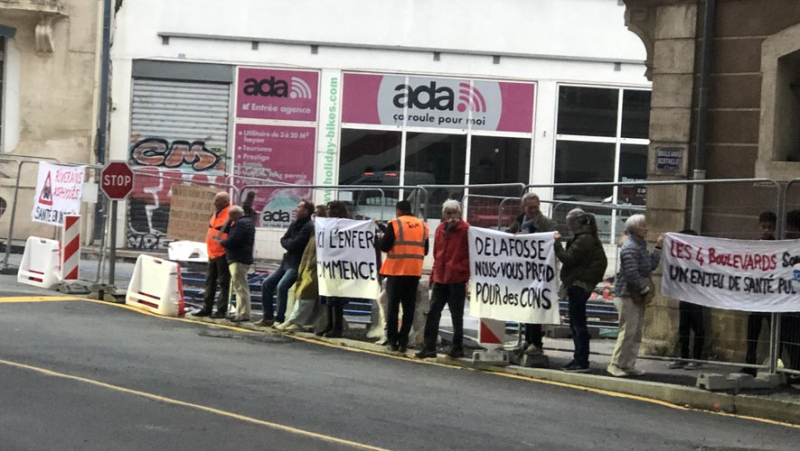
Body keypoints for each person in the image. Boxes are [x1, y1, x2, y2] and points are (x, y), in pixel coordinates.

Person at [607, 214, 664, 377]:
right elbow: (632, 274)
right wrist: (646, 290)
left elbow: (649, 266)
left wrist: (658, 248)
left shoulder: (639, 246)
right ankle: (616, 363)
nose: (646, 228)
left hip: (635, 294)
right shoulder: (631, 247)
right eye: (642, 226)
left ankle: (628, 364)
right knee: (628, 330)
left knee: (636, 331)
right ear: (633, 228)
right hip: (628, 294)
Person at [553, 208, 607, 372]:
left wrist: (557, 244)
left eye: (570, 223)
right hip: (580, 284)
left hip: (579, 285)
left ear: (576, 222)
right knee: (577, 323)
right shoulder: (587, 238)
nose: (569, 226)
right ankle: (578, 358)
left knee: (578, 324)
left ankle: (581, 361)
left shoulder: (584, 240)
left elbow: (568, 259)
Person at [416, 200, 470, 359]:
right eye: (448, 213)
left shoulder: (466, 230)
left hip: (456, 279)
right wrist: (434, 275)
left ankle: (457, 348)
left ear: (459, 214)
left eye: (454, 213)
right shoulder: (440, 229)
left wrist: (461, 270)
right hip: (441, 277)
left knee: (456, 315)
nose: (451, 217)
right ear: (444, 214)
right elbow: (437, 254)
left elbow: (470, 254)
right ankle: (429, 346)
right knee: (433, 313)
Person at [376, 200, 429, 352]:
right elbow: (424, 251)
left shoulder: (395, 223)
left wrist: (379, 241)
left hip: (396, 271)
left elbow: (385, 246)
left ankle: (393, 341)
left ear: (398, 211)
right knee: (409, 307)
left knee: (393, 307)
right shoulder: (422, 226)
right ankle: (404, 340)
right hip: (414, 272)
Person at [255, 199, 314, 327]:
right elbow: (284, 239)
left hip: (297, 264)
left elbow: (295, 244)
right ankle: (267, 317)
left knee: (282, 286)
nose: (296, 209)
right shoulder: (294, 224)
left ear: (306, 211)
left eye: (299, 207)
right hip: (286, 262)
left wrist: (288, 243)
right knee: (266, 283)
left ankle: (279, 319)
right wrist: (288, 243)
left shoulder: (309, 226)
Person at [509, 192, 555, 356]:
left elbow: (549, 244)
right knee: (525, 309)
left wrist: (527, 238)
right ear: (524, 207)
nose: (533, 211)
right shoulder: (518, 222)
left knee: (535, 308)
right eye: (530, 208)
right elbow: (507, 238)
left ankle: (536, 342)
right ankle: (528, 341)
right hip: (523, 273)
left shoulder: (547, 224)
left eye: (536, 207)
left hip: (538, 273)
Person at [276, 205, 328, 333]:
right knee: (302, 293)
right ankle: (294, 319)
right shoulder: (315, 228)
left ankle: (297, 321)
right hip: (307, 264)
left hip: (315, 265)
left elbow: (294, 244)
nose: (314, 215)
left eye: (316, 212)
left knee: (306, 294)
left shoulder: (320, 228)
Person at [316, 201, 359, 338]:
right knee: (328, 296)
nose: (326, 211)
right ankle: (329, 325)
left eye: (328, 209)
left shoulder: (344, 224)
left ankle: (337, 327)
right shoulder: (327, 224)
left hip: (339, 266)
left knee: (336, 299)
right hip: (328, 264)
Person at [667, 230, 706, 370]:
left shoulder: (700, 256)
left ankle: (696, 358)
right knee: (683, 327)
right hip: (684, 295)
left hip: (696, 296)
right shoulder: (681, 257)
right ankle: (683, 357)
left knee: (698, 327)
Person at [743, 214, 776, 375]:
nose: (767, 230)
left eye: (769, 227)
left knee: (775, 334)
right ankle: (749, 364)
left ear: (774, 228)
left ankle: (775, 365)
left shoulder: (779, 246)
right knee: (752, 334)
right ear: (759, 226)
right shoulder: (754, 246)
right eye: (764, 227)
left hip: (771, 299)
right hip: (756, 299)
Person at [194, 192, 232, 319]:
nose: (214, 203)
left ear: (225, 201)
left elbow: (232, 235)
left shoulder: (230, 215)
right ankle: (207, 308)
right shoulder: (216, 213)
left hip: (222, 254)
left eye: (218, 200)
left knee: (223, 283)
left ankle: (221, 310)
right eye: (215, 200)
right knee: (210, 281)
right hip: (212, 253)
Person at [218, 206, 255, 322]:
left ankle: (243, 314)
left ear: (234, 215)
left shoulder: (240, 224)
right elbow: (225, 230)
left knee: (240, 287)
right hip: (241, 258)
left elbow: (234, 240)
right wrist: (230, 221)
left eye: (230, 216)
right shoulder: (246, 222)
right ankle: (240, 313)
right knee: (239, 287)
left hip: (238, 258)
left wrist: (222, 242)